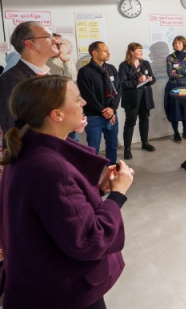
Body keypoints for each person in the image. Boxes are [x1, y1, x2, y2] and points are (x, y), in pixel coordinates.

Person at [0, 75, 133, 309]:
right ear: (57, 115)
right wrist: (117, 194)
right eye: (78, 98)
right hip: (63, 293)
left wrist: (99, 189)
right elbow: (89, 239)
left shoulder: (26, 147)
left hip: (40, 282)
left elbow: (57, 212)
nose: (84, 103)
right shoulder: (50, 168)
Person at [0, 21, 58, 135]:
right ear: (30, 43)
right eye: (48, 37)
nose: (55, 41)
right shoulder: (12, 79)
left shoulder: (47, 75)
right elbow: (12, 129)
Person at [77, 41, 121, 165]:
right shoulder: (85, 72)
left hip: (111, 115)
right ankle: (92, 169)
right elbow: (87, 96)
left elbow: (118, 90)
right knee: (93, 147)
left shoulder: (111, 69)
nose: (108, 53)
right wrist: (103, 111)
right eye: (105, 51)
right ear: (95, 53)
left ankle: (112, 166)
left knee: (112, 144)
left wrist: (112, 109)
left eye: (108, 50)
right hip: (94, 117)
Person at [118, 43, 156, 160]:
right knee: (130, 122)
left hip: (145, 96)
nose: (141, 52)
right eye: (138, 50)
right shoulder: (124, 65)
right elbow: (123, 84)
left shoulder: (145, 63)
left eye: (141, 50)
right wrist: (138, 81)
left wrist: (149, 79)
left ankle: (145, 142)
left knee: (145, 119)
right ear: (131, 51)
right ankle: (127, 148)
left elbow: (153, 79)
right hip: (132, 98)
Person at [164, 36, 186, 143]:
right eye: (175, 43)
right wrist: (185, 70)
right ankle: (176, 132)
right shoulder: (170, 57)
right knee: (175, 110)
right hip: (173, 86)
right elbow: (170, 74)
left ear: (184, 44)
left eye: (180, 43)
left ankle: (185, 131)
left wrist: (177, 70)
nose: (177, 45)